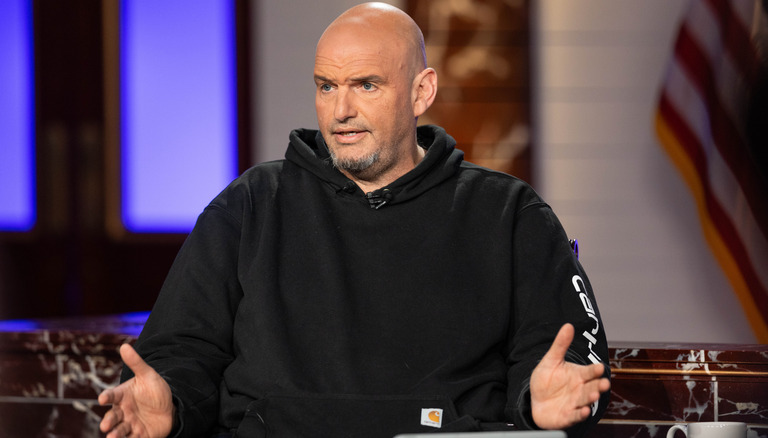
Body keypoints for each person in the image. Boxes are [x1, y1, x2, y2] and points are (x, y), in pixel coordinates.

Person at [98, 3, 611, 437]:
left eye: (366, 85)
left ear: (422, 92)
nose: (340, 110)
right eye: (326, 86)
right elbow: (182, 347)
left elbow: (563, 354)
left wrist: (537, 403)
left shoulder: (508, 213)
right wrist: (172, 400)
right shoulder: (251, 204)